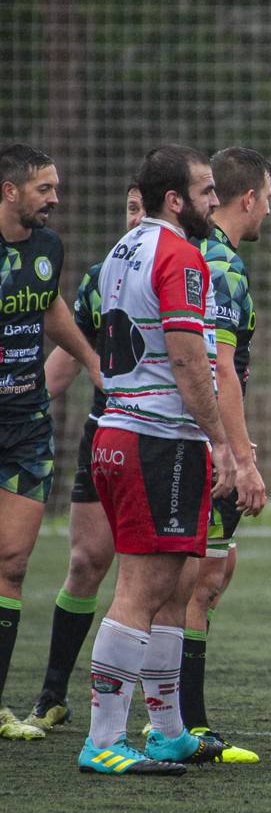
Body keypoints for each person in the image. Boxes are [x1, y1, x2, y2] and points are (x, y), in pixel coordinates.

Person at [78, 144, 247, 775]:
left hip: (129, 433)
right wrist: (223, 442)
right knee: (142, 588)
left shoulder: (123, 250)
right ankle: (102, 740)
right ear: (174, 199)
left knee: (177, 587)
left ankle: (169, 731)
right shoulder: (179, 254)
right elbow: (186, 361)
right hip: (154, 438)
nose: (213, 201)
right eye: (205, 191)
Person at [24, 182, 143, 733]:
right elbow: (69, 360)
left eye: (146, 208)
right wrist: (23, 408)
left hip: (167, 444)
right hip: (105, 438)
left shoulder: (197, 275)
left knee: (163, 584)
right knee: (85, 562)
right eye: (129, 209)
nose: (136, 220)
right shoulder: (103, 278)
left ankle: (166, 714)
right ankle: (52, 693)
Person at [175, 146, 271, 763]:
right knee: (194, 579)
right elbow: (221, 371)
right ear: (249, 200)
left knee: (207, 573)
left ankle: (183, 719)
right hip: (198, 446)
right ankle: (183, 724)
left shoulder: (197, 258)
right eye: (268, 198)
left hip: (179, 435)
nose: (269, 209)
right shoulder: (224, 268)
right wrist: (240, 456)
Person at [0, 144, 101, 740]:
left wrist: (92, 361)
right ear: (10, 191)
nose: (55, 199)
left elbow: (51, 308)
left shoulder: (49, 248)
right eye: (44, 189)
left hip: (27, 423)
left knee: (12, 565)